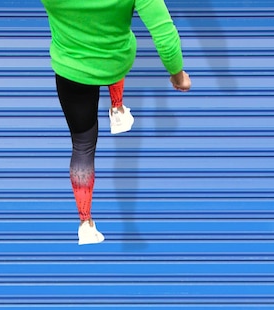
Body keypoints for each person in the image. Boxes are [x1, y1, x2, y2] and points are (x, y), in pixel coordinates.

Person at [41, 0, 192, 245]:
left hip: (72, 72)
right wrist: (178, 74)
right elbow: (164, 34)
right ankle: (117, 110)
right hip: (116, 60)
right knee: (113, 46)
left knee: (83, 146)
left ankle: (86, 224)